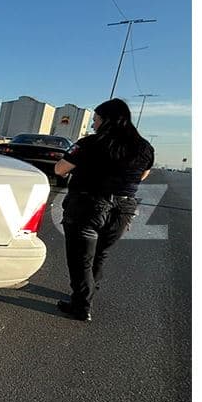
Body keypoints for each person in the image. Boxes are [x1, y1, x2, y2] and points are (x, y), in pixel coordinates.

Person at [52, 98, 154, 321]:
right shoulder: (145, 147)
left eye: (96, 119)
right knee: (100, 254)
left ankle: (81, 306)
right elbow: (143, 175)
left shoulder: (89, 144)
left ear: (107, 120)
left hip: (88, 206)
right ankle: (86, 295)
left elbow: (60, 169)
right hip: (124, 208)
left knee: (81, 260)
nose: (93, 125)